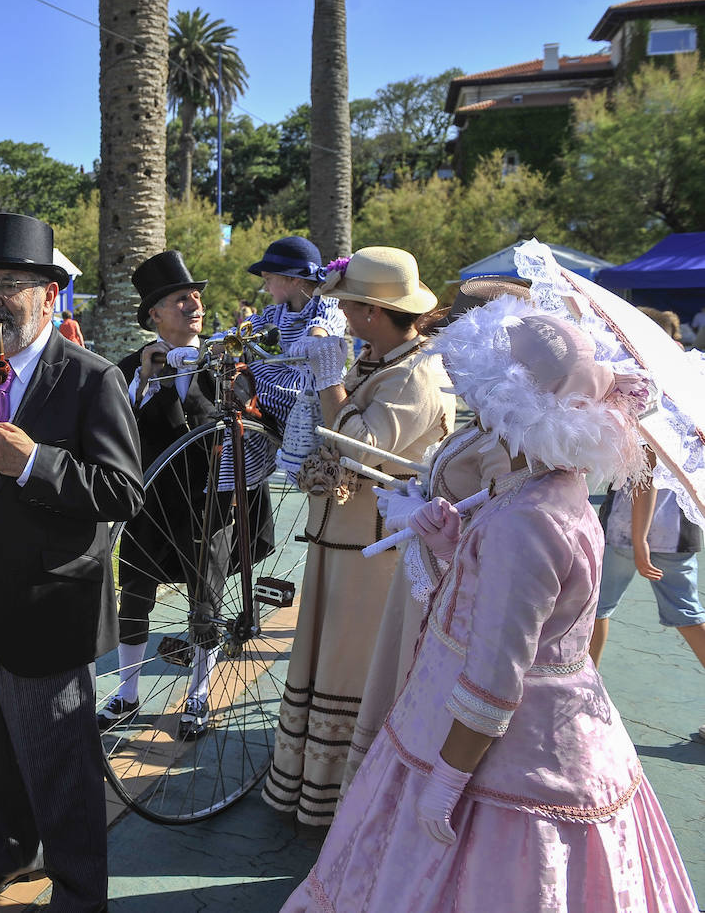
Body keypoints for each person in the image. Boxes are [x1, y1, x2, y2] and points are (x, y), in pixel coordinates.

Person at [282, 297, 698, 912]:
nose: (476, 409)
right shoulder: (549, 488)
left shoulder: (526, 519)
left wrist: (445, 785)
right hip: (510, 720)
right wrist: (453, 549)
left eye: (487, 397)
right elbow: (513, 603)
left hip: (509, 753)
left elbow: (495, 679)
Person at [0, 213, 143, 913]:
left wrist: (37, 463)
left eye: (9, 283)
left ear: (48, 294)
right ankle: (14, 852)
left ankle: (77, 893)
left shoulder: (89, 380)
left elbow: (124, 492)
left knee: (62, 770)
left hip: (46, 610)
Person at [262, 247, 455, 826]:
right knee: (325, 657)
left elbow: (356, 444)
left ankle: (348, 802)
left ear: (373, 310)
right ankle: (307, 786)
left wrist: (327, 382)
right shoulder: (376, 358)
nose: (339, 311)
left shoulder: (418, 374)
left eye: (347, 302)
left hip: (374, 551)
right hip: (340, 539)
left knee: (351, 668)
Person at [339, 277, 527, 791]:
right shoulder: (486, 420)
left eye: (460, 343)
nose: (449, 354)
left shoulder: (516, 440)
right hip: (429, 589)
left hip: (456, 605)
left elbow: (509, 544)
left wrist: (440, 529)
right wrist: (417, 501)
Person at [101, 250, 272, 737]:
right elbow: (114, 432)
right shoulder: (129, 368)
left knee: (208, 602)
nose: (194, 305)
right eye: (181, 299)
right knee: (133, 596)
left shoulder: (224, 360)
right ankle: (127, 693)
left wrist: (243, 397)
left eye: (196, 296)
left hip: (208, 504)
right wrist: (147, 384)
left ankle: (198, 696)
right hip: (148, 503)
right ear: (155, 313)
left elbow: (254, 424)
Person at [590, 306, 705, 742]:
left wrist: (638, 540)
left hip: (638, 526)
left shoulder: (646, 383)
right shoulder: (685, 375)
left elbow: (646, 473)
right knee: (686, 615)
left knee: (595, 608)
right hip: (675, 525)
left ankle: (578, 697)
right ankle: (580, 694)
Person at [237, 237, 347, 484]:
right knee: (239, 379)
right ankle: (244, 472)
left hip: (314, 385)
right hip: (284, 378)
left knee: (253, 384)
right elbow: (249, 328)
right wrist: (220, 341)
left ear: (294, 279)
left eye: (268, 280)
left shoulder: (326, 304)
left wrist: (313, 339)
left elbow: (324, 325)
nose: (266, 288)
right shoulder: (277, 312)